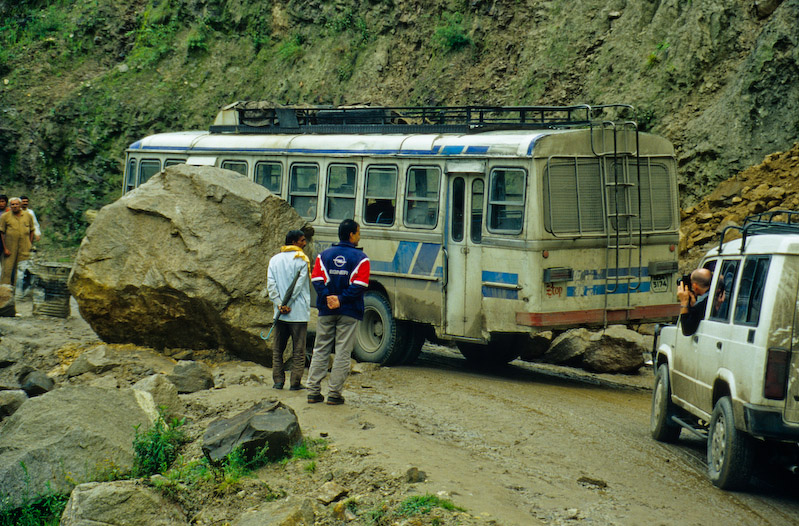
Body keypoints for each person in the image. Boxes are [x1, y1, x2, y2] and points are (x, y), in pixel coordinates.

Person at [306, 219, 370, 405]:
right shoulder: (361, 258)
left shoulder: (324, 255)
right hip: (349, 311)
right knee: (343, 351)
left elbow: (317, 279)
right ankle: (334, 394)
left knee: (321, 348)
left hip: (326, 310)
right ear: (351, 235)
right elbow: (360, 285)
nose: (359, 236)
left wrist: (328, 297)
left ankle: (313, 391)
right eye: (358, 233)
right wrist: (341, 299)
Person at [266, 229, 311, 390]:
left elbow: (271, 285)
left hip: (280, 313)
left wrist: (279, 303)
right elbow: (298, 287)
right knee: (298, 350)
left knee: (278, 349)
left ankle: (278, 381)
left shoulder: (274, 260)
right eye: (302, 240)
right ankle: (295, 382)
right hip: (297, 312)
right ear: (294, 242)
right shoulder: (302, 260)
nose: (305, 243)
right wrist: (288, 303)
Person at [0, 197, 34, 286]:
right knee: (7, 269)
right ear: (10, 206)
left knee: (22, 269)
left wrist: (30, 243)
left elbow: (32, 230)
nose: (15, 206)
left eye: (16, 204)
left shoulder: (28, 215)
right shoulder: (5, 216)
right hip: (10, 246)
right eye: (13, 204)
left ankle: (19, 291)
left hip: (24, 247)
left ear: (20, 205)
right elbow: (1, 232)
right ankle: (5, 291)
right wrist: (5, 248)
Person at [677, 267, 712, 336]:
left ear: (695, 286)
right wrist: (693, 305)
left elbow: (687, 330)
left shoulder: (702, 304)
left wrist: (684, 302)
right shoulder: (713, 297)